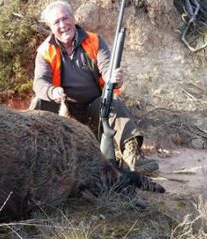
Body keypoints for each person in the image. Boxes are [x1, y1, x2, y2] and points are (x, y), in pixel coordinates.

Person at [30, 1, 158, 174]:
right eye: (56, 22)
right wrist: (52, 91)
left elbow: (107, 69)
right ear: (50, 27)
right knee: (38, 103)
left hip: (94, 108)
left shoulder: (95, 41)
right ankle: (33, 159)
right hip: (63, 109)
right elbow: (40, 83)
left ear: (73, 18)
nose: (62, 25)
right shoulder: (45, 51)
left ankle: (132, 159)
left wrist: (114, 78)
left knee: (112, 100)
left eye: (65, 18)